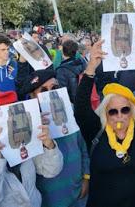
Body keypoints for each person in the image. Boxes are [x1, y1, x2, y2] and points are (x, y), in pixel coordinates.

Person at [74, 38, 135, 207]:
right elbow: (80, 108)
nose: (120, 115)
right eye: (113, 111)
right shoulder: (96, 132)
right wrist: (91, 68)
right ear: (105, 113)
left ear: (132, 111)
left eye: (125, 109)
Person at [18, 69, 90, 207]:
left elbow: (82, 145)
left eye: (54, 87)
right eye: (43, 90)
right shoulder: (29, 122)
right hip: (50, 195)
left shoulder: (70, 109)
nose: (50, 93)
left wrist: (86, 176)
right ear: (33, 96)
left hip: (77, 190)